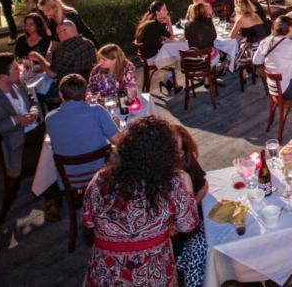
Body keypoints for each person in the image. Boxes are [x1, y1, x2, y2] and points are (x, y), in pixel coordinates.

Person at [82, 116, 199, 286]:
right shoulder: (172, 183)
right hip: (154, 277)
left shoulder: (101, 179)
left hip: (106, 275)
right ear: (166, 153)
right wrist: (187, 185)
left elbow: (88, 221)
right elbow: (188, 224)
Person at [0, 53, 61, 221]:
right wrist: (12, 120)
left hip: (37, 132)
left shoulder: (18, 84)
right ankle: (53, 202)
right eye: (15, 68)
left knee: (68, 138)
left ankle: (74, 186)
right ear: (3, 75)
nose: (20, 69)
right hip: (18, 145)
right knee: (47, 158)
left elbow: (33, 101)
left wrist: (33, 111)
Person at [46, 73, 121, 181]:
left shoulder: (49, 118)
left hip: (71, 180)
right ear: (85, 93)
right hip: (102, 178)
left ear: (61, 95)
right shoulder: (97, 111)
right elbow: (117, 140)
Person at [253, 16, 292, 130]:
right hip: (287, 89)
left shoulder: (265, 41)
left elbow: (256, 61)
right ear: (289, 28)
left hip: (274, 88)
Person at [172, 124, 210, 287]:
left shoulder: (186, 162)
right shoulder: (152, 176)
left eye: (176, 149)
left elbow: (203, 186)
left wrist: (193, 203)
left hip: (187, 228)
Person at [29, 20, 97, 94]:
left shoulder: (68, 48)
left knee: (36, 92)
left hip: (70, 90)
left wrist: (38, 58)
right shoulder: (88, 42)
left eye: (57, 34)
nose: (57, 37)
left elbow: (52, 74)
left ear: (64, 32)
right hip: (87, 84)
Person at [134, 0, 174, 69]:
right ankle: (168, 79)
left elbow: (157, 37)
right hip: (151, 59)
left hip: (146, 57)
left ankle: (168, 78)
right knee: (176, 57)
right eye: (164, 9)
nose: (167, 11)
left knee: (170, 53)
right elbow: (171, 37)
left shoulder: (149, 21)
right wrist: (169, 23)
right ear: (157, 12)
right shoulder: (156, 24)